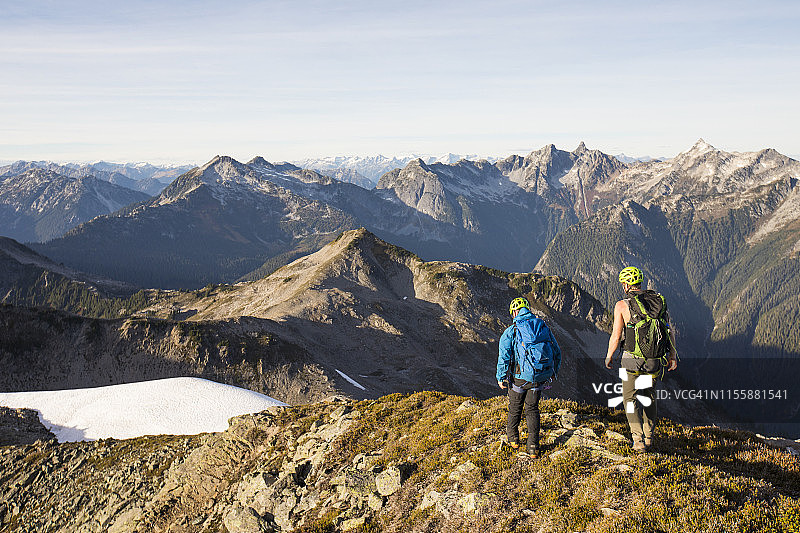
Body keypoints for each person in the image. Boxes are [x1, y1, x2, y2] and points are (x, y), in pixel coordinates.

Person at [605, 266, 678, 451]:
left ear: (625, 285)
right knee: (649, 397)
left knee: (630, 399)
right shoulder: (659, 301)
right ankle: (649, 437)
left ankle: (637, 439)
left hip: (631, 359)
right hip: (654, 359)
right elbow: (668, 330)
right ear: (640, 283)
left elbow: (616, 335)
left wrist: (609, 356)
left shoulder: (622, 305)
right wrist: (672, 354)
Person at [497, 297, 561, 457]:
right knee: (532, 409)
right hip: (539, 377)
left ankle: (513, 440)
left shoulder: (512, 330)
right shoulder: (542, 326)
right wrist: (554, 371)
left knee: (514, 409)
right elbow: (557, 351)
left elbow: (504, 356)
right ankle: (533, 447)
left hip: (519, 377)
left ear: (515, 312)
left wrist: (501, 376)